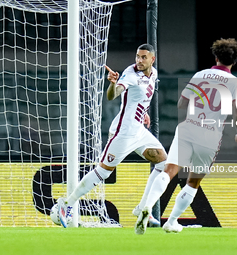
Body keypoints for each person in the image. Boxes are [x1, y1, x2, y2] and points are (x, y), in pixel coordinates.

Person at [135, 38, 237, 234]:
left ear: (216, 56)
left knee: (169, 170)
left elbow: (181, 104)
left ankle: (147, 206)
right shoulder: (235, 83)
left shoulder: (201, 75)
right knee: (193, 181)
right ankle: (171, 221)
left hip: (188, 128)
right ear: (234, 61)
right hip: (210, 135)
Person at [57, 44, 167, 228]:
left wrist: (143, 112)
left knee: (163, 163)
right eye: (137, 56)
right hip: (123, 133)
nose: (139, 61)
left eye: (143, 57)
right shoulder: (130, 74)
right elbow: (113, 95)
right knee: (103, 172)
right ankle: (67, 204)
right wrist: (113, 83)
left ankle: (142, 209)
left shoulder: (153, 73)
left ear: (152, 60)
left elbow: (142, 98)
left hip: (139, 130)